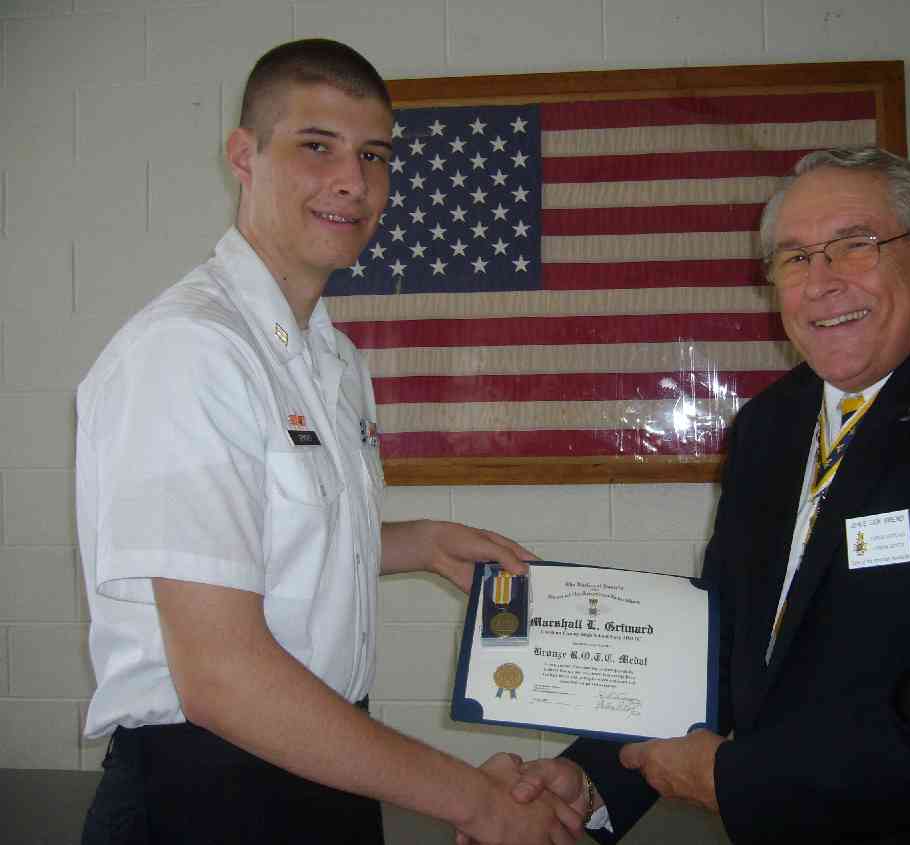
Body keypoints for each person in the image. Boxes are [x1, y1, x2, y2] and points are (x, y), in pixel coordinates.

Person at [492, 147, 910, 843]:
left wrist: (734, 777)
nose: (820, 283)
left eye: (853, 246)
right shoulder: (771, 424)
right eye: (794, 258)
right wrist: (592, 779)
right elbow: (724, 644)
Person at [76, 38, 581, 845]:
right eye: (318, 147)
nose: (354, 181)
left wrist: (414, 542)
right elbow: (220, 675)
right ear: (245, 156)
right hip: (207, 787)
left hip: (323, 764)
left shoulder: (331, 357)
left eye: (374, 154)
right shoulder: (191, 351)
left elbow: (257, 541)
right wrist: (472, 799)